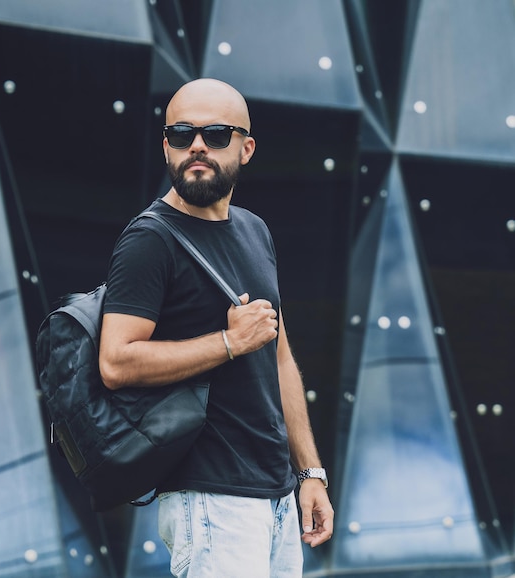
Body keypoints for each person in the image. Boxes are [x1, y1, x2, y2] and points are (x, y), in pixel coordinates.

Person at [99, 78, 333, 578]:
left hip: (273, 492)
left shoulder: (254, 230)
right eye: (182, 134)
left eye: (216, 134)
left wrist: (310, 473)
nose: (197, 146)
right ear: (166, 146)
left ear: (246, 148)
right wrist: (228, 342)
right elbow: (116, 360)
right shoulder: (149, 239)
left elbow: (279, 358)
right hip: (208, 497)